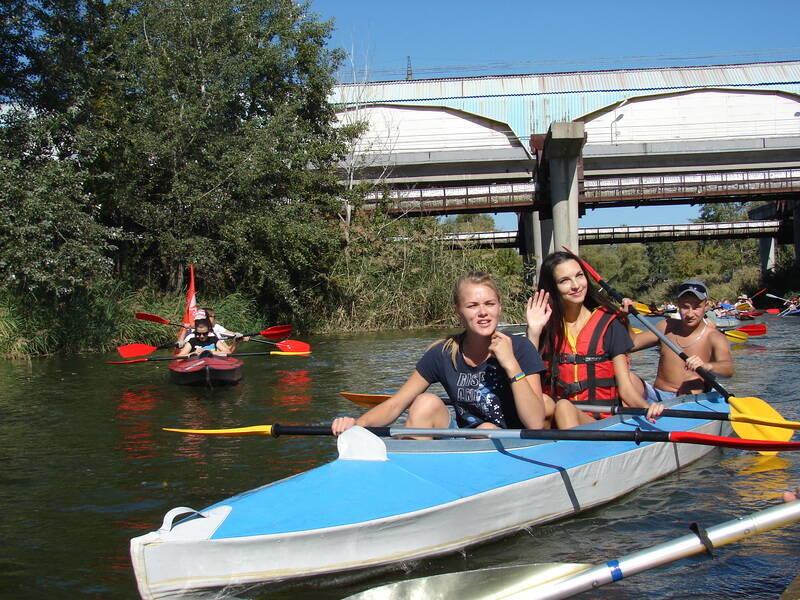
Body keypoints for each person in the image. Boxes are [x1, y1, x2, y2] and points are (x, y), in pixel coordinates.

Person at [331, 272, 548, 437]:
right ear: (458, 312)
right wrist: (357, 425)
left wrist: (511, 364)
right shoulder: (443, 353)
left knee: (486, 429)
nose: (483, 312)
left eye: (489, 304)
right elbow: (396, 404)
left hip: (514, 443)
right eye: (472, 306)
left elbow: (535, 423)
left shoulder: (520, 348)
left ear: (499, 307)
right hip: (463, 440)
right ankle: (413, 465)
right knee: (425, 402)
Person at [525, 251, 663, 429]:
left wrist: (646, 407)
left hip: (599, 421)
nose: (576, 285)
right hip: (555, 420)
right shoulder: (545, 326)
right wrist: (533, 332)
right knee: (544, 402)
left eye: (579, 276)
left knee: (564, 407)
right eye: (564, 280)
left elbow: (626, 389)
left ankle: (572, 446)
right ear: (552, 288)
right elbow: (528, 385)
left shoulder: (611, 324)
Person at [628, 280, 734, 402]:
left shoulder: (714, 337)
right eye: (685, 307)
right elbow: (632, 344)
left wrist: (706, 366)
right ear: (678, 305)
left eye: (696, 307)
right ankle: (644, 409)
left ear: (706, 306)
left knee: (692, 382)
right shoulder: (666, 326)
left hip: (692, 399)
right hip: (658, 397)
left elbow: (728, 369)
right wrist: (623, 318)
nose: (690, 314)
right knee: (627, 377)